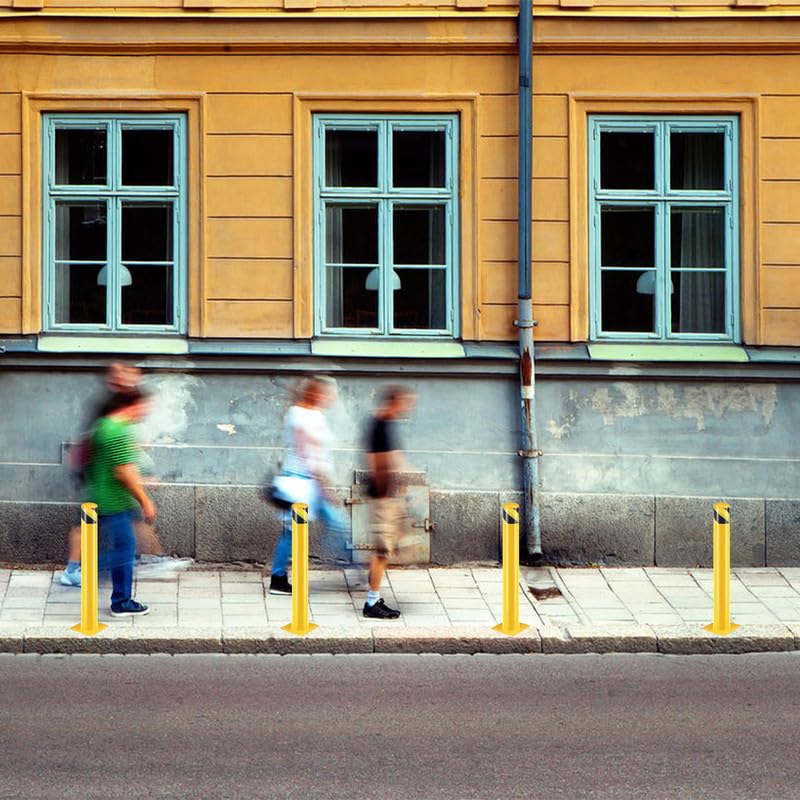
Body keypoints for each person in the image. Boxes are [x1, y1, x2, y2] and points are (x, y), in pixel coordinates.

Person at [61, 362, 191, 586]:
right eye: (128, 374)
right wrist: (141, 492)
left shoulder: (117, 416)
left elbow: (121, 454)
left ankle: (141, 567)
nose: (133, 378)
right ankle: (78, 570)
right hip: (102, 479)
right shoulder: (111, 409)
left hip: (108, 478)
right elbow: (116, 459)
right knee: (102, 532)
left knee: (126, 529)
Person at [268, 376, 349, 596]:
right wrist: (325, 486)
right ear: (315, 394)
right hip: (302, 486)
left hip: (310, 484)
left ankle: (350, 566)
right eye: (327, 394)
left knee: (334, 524)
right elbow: (307, 454)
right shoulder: (300, 415)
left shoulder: (313, 415)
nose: (330, 398)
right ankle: (278, 579)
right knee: (298, 533)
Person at [84, 388, 156, 617]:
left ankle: (115, 593)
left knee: (124, 549)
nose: (144, 412)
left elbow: (118, 464)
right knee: (124, 551)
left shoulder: (104, 426)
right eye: (142, 407)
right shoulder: (116, 431)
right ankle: (120, 600)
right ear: (130, 405)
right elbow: (122, 471)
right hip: (114, 501)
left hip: (105, 496)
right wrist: (145, 500)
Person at [363, 385, 417, 620]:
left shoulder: (385, 424)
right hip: (382, 496)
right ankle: (371, 603)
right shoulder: (380, 426)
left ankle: (373, 595)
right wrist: (388, 496)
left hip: (387, 496)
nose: (408, 407)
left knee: (388, 549)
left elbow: (394, 460)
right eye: (406, 402)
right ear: (394, 402)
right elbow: (381, 464)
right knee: (382, 552)